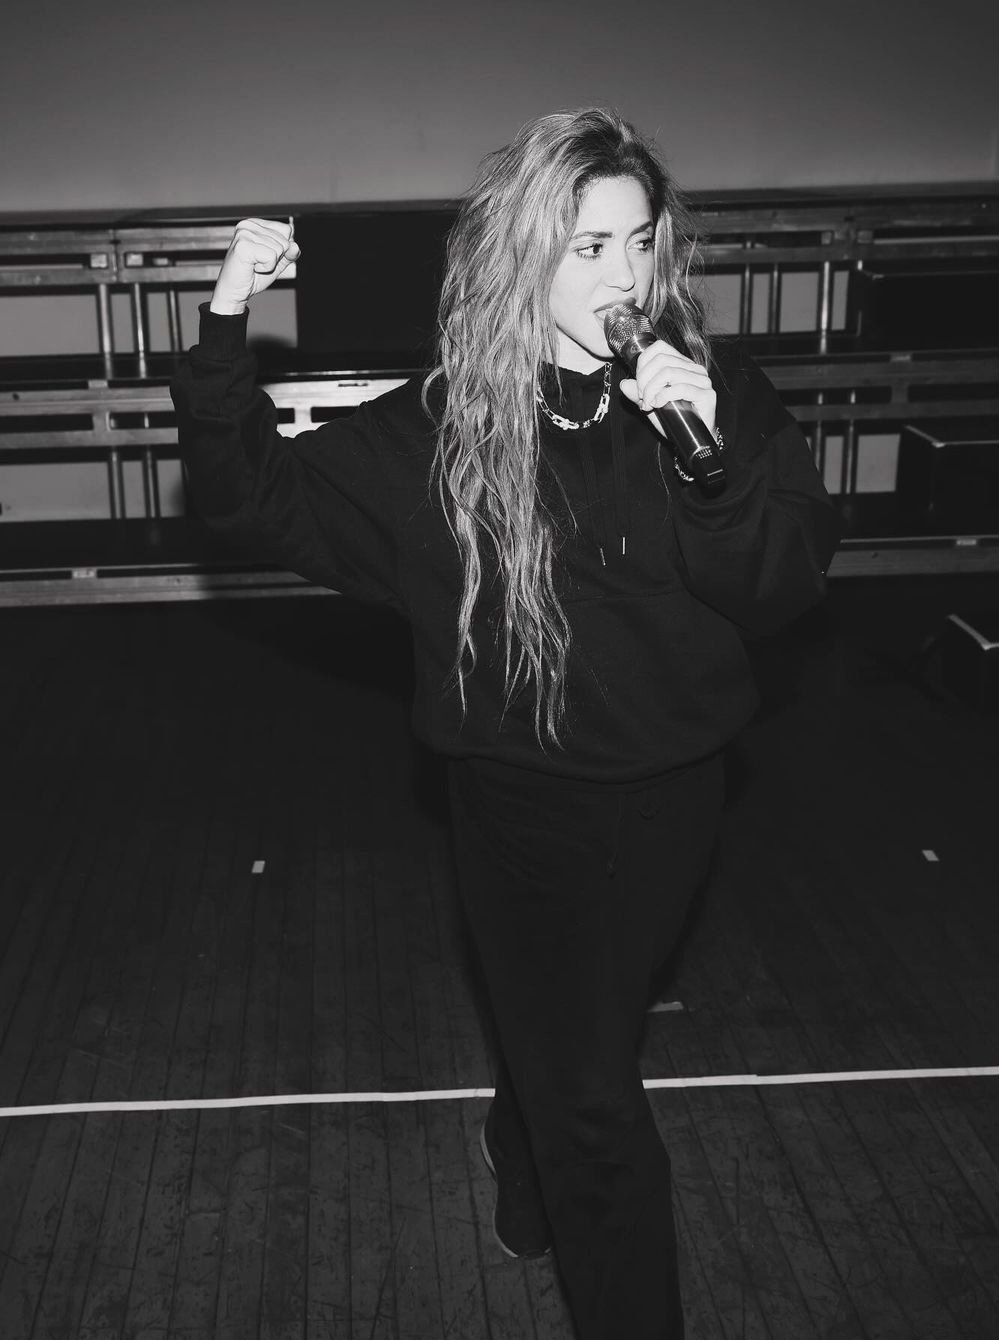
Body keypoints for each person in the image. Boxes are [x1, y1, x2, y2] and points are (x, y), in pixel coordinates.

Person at [170, 107, 843, 1340]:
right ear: (523, 258)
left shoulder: (713, 398)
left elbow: (779, 587)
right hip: (518, 801)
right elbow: (247, 499)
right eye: (586, 247)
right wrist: (225, 319)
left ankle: (518, 1130)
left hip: (676, 787)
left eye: (638, 241)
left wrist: (708, 466)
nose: (623, 276)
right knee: (593, 1098)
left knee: (586, 1038)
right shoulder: (441, 429)